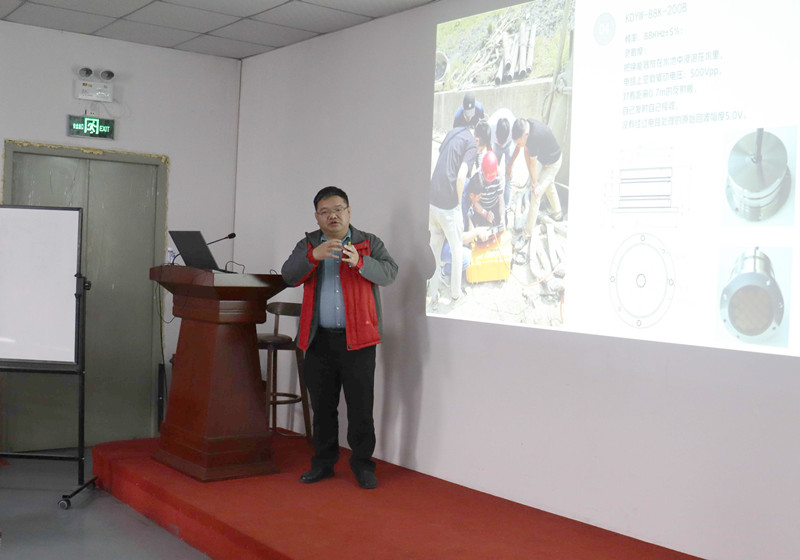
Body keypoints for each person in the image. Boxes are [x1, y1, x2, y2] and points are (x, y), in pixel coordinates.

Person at [281, 186, 398, 490]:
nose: (332, 216)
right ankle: (323, 463)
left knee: (361, 408)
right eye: (325, 211)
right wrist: (313, 256)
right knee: (322, 408)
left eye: (337, 209)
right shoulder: (308, 244)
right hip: (318, 340)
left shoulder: (368, 243)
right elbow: (289, 276)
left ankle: (363, 465)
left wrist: (360, 261)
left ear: (348, 212)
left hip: (359, 340)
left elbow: (390, 274)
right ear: (317, 216)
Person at [429, 124, 477, 310]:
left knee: (434, 252)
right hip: (448, 205)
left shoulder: (453, 132)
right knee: (458, 252)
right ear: (478, 139)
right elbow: (461, 177)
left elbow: (441, 159)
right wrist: (457, 203)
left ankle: (433, 295)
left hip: (432, 199)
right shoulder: (472, 143)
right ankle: (456, 296)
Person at [507, 117, 564, 242]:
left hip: (553, 163)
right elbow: (524, 152)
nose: (518, 145)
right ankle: (558, 214)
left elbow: (532, 165)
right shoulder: (526, 126)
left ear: (525, 135)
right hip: (546, 161)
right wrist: (511, 166)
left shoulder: (534, 137)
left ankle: (527, 234)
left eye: (519, 143)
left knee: (535, 194)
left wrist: (535, 184)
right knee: (548, 185)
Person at [465, 149, 504, 229]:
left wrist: (502, 218)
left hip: (495, 205)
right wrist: (485, 214)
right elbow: (475, 202)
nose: (489, 181)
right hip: (481, 207)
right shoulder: (477, 176)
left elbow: (501, 200)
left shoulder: (499, 175)